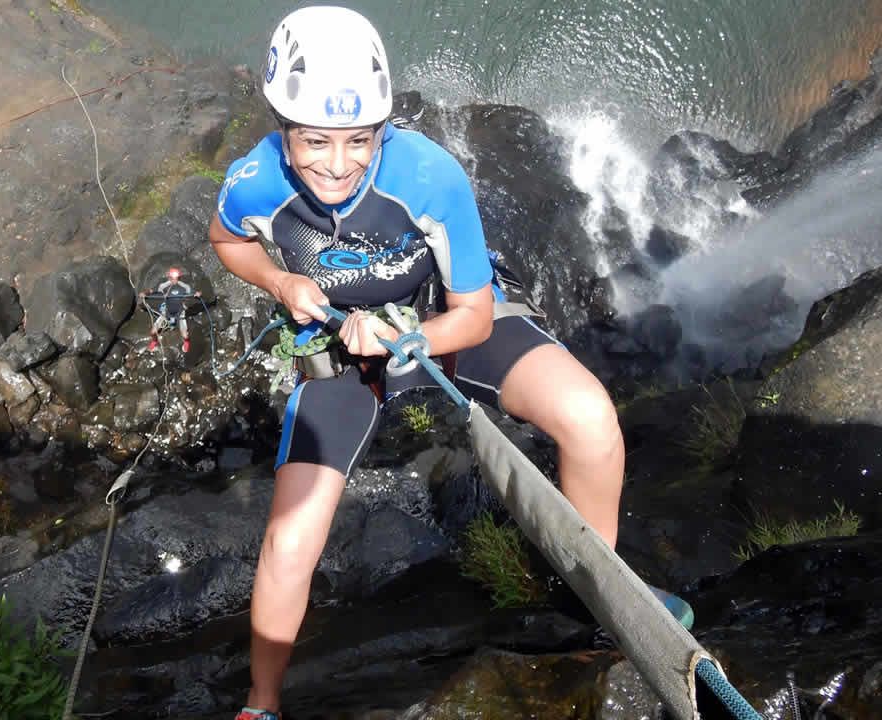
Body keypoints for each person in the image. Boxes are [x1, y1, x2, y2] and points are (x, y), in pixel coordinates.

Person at [208, 8, 691, 719]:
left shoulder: (430, 175)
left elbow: (472, 311)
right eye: (315, 140)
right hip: (343, 351)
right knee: (288, 538)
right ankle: (262, 702)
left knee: (590, 419)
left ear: (383, 129)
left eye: (359, 140)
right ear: (282, 125)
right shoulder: (254, 182)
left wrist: (413, 340)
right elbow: (229, 241)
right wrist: (283, 283)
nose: (338, 163)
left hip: (446, 323)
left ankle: (604, 597)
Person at [139, 267, 202, 353]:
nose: (174, 280)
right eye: (172, 278)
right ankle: (154, 341)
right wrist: (144, 293)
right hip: (167, 311)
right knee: (153, 332)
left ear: (179, 278)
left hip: (179, 312)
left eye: (176, 278)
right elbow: (151, 290)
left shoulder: (184, 286)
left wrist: (198, 293)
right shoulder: (163, 285)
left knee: (185, 335)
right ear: (169, 277)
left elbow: (196, 292)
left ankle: (186, 342)